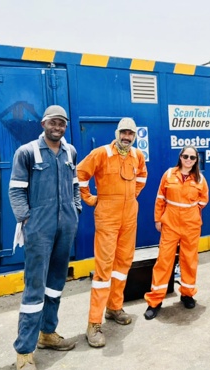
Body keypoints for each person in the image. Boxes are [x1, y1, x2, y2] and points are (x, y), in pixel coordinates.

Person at [9, 105, 81, 370]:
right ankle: (24, 352)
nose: (58, 127)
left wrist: (76, 210)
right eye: (53, 122)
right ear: (43, 123)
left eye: (62, 123)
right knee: (34, 289)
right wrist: (26, 219)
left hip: (65, 225)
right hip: (39, 228)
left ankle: (48, 333)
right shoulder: (27, 152)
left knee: (55, 285)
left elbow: (75, 184)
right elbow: (16, 190)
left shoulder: (70, 151)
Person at [77, 117, 148, 347]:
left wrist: (132, 196)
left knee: (123, 264)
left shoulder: (137, 155)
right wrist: (89, 198)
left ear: (134, 136)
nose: (127, 137)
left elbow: (142, 177)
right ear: (117, 133)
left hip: (129, 215)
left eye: (131, 134)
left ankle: (114, 307)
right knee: (104, 267)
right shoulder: (101, 154)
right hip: (107, 215)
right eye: (124, 133)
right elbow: (80, 174)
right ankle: (94, 322)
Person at [144, 146, 209, 320]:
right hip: (170, 224)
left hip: (191, 226)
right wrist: (158, 219)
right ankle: (155, 301)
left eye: (192, 157)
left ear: (196, 160)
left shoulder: (200, 179)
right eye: (185, 156)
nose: (188, 159)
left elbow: (203, 200)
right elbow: (160, 198)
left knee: (189, 260)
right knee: (164, 261)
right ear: (180, 157)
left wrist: (191, 213)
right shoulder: (169, 174)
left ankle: (187, 294)